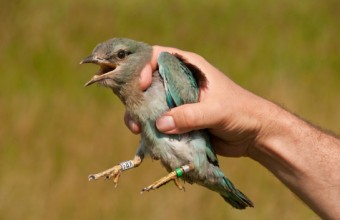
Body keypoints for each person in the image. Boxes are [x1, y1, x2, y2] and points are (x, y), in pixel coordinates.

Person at [124, 46, 340, 219]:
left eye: (122, 56)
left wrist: (259, 127)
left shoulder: (164, 68)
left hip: (198, 161)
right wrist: (259, 132)